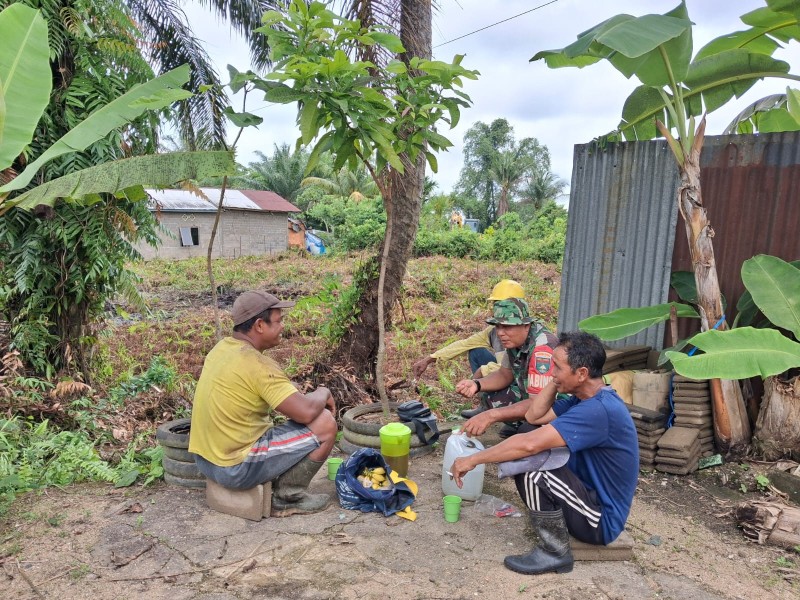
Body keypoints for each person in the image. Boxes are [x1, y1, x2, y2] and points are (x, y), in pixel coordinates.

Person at [450, 331, 639, 575]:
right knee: (529, 435)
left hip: (599, 521)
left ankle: (555, 552)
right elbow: (534, 416)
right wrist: (558, 379)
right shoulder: (582, 398)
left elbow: (529, 444)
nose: (552, 373)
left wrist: (473, 459)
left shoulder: (599, 410)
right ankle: (553, 521)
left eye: (557, 368)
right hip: (586, 495)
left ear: (581, 373)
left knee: (529, 469)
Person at [189, 290, 338, 517]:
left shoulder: (220, 350)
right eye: (278, 321)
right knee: (325, 423)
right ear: (259, 325)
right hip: (235, 468)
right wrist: (324, 391)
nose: (282, 326)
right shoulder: (257, 364)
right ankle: (288, 497)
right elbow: (306, 413)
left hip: (206, 462)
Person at [411, 279, 526, 419]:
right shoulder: (493, 331)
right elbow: (464, 344)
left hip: (522, 382)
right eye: (496, 304)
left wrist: (485, 370)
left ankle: (509, 415)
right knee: (476, 352)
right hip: (504, 373)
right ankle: (486, 404)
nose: (499, 309)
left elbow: (519, 368)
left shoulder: (526, 332)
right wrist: (429, 359)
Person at [454, 297, 558, 438]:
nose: (500, 333)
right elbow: (504, 375)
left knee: (528, 433)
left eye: (507, 327)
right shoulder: (516, 341)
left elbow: (538, 403)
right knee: (493, 397)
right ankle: (520, 423)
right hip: (532, 397)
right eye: (498, 326)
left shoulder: (542, 349)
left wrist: (491, 416)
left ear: (526, 325)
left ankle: (530, 427)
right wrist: (476, 384)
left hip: (556, 406)